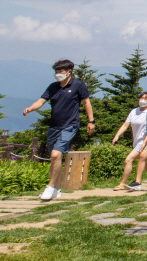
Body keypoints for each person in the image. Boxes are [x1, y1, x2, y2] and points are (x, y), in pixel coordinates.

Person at [22, 59, 95, 201]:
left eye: (61, 72)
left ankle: (49, 187)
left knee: (56, 155)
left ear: (69, 71)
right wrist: (30, 108)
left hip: (70, 125)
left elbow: (86, 102)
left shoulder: (78, 85)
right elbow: (41, 101)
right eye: (56, 72)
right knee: (54, 158)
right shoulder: (53, 87)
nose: (58, 75)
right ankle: (56, 189)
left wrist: (90, 121)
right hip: (54, 126)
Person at [111, 91, 147, 191]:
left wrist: (145, 142)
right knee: (145, 163)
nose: (143, 100)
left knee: (128, 159)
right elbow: (126, 124)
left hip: (144, 141)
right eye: (141, 98)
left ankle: (123, 183)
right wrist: (117, 135)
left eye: (146, 98)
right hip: (136, 141)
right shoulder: (134, 111)